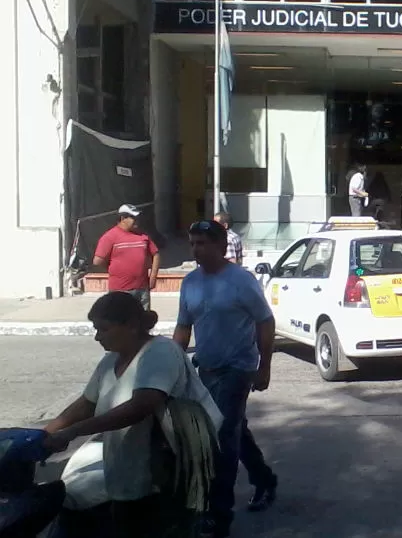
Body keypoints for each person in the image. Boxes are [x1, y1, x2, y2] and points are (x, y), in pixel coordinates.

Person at [42, 291, 218, 538]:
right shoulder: (110, 361)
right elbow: (86, 403)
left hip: (165, 472)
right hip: (127, 469)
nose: (97, 337)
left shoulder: (160, 352)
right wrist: (44, 434)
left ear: (132, 326)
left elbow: (140, 407)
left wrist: (73, 432)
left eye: (103, 329)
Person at [173, 220, 278, 538]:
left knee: (221, 437)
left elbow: (265, 321)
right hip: (206, 369)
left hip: (237, 369)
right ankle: (264, 479)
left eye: (203, 243)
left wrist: (264, 367)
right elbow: (183, 327)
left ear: (222, 246)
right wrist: (169, 364)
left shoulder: (241, 281)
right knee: (234, 429)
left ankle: (218, 515)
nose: (196, 250)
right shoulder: (189, 282)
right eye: (193, 243)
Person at [93, 204, 160, 311]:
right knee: (120, 323)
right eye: (133, 217)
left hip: (142, 290)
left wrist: (153, 277)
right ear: (123, 218)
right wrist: (113, 269)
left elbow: (156, 254)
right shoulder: (110, 237)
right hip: (120, 291)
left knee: (143, 322)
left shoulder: (143, 236)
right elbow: (98, 261)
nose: (137, 220)